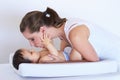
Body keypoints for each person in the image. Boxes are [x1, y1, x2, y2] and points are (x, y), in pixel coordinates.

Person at [19, 7, 120, 62]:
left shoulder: (74, 35)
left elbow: (94, 60)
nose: (31, 45)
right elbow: (66, 56)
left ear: (42, 30)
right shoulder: (63, 35)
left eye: (32, 39)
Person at [13, 33, 82, 70]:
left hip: (65, 52)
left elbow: (48, 48)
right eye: (31, 53)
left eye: (29, 50)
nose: (32, 50)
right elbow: (55, 54)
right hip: (70, 59)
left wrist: (47, 39)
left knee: (63, 38)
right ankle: (80, 43)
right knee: (77, 46)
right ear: (32, 63)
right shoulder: (42, 60)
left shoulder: (40, 54)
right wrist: (48, 44)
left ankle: (73, 41)